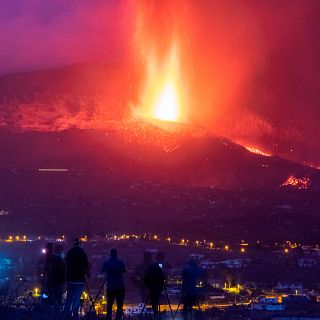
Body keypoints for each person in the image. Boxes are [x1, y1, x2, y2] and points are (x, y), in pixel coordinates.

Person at [65, 238, 90, 319]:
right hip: (79, 280)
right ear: (79, 244)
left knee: (69, 297)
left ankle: (66, 314)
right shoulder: (82, 253)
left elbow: (65, 264)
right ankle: (74, 314)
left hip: (70, 279)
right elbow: (86, 265)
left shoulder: (69, 252)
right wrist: (87, 274)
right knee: (76, 298)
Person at [102, 248, 126, 320]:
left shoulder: (106, 263)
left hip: (110, 287)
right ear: (116, 254)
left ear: (110, 254)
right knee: (119, 304)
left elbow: (102, 270)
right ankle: (118, 318)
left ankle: (108, 318)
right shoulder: (120, 262)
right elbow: (124, 271)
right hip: (120, 286)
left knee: (109, 304)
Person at [144, 252, 166, 319]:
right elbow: (162, 274)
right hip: (157, 286)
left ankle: (155, 314)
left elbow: (146, 278)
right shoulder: (160, 265)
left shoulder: (152, 265)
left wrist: (149, 285)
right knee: (155, 300)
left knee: (154, 301)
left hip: (153, 287)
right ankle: (156, 315)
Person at [43, 242, 65, 307]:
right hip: (56, 282)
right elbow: (62, 271)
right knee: (56, 299)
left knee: (50, 299)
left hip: (51, 282)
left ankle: (49, 311)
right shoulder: (57, 259)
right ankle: (56, 312)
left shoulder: (49, 259)